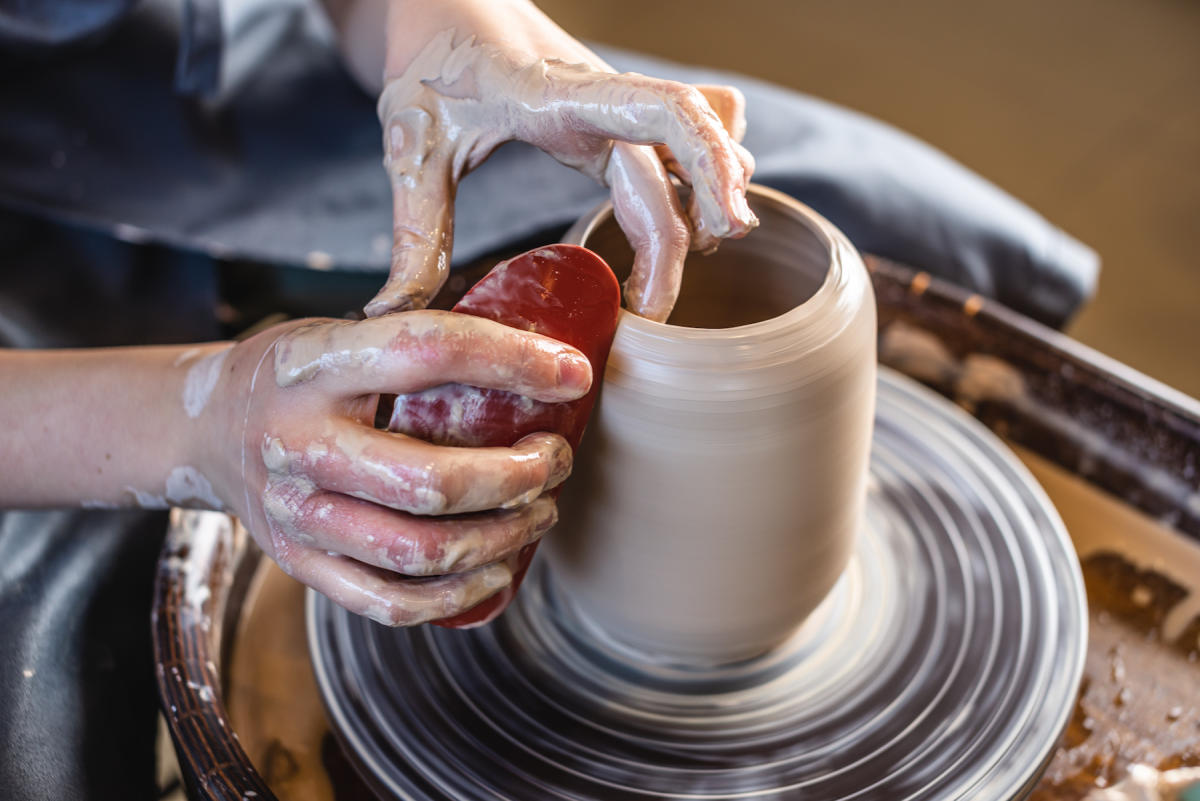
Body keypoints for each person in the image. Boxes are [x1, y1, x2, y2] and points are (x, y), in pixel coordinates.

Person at [0, 0, 1097, 797]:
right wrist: (191, 421)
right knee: (51, 732)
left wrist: (457, 34)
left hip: (217, 72)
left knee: (887, 211)